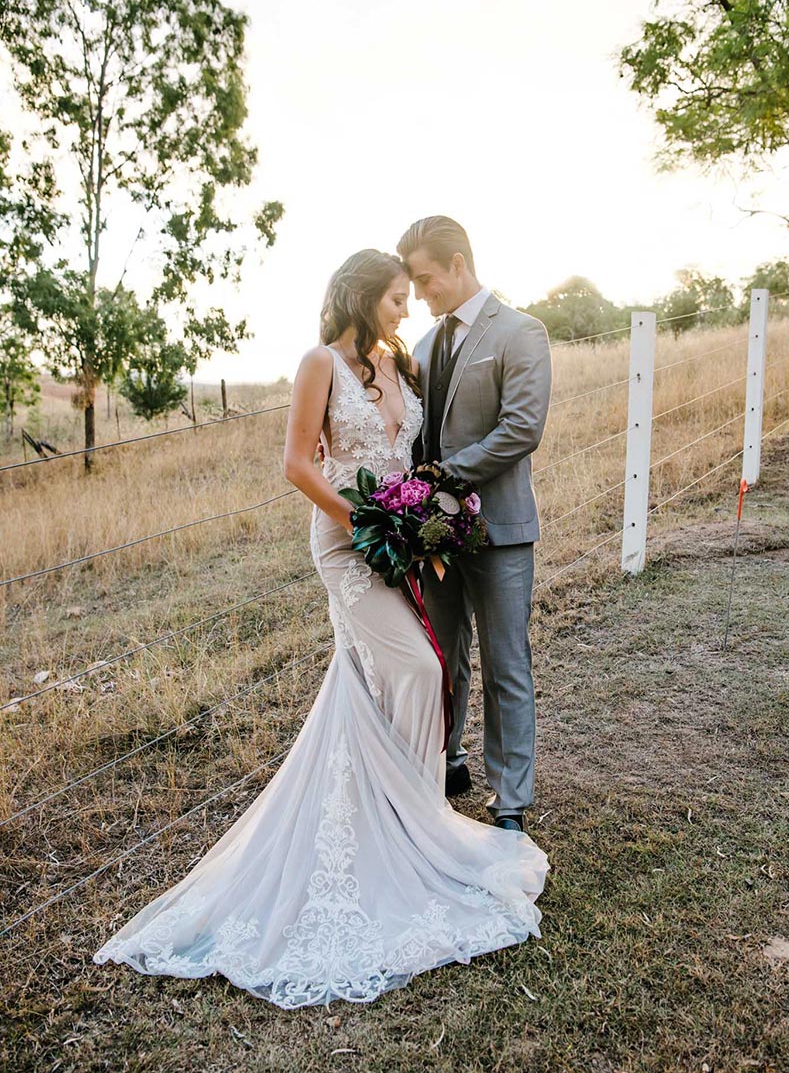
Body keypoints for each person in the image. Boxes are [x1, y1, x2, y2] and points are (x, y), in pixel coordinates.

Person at [92, 249, 548, 1009]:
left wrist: (414, 520)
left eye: (412, 296)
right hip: (346, 543)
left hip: (396, 539)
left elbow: (418, 454)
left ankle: (401, 821)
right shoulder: (319, 364)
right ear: (364, 296)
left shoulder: (399, 362)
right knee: (420, 670)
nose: (408, 309)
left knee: (377, 678)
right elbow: (298, 465)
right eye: (397, 298)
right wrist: (368, 520)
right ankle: (409, 821)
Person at [398, 217, 552, 833]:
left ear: (458, 263)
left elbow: (521, 428)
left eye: (425, 279)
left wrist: (442, 478)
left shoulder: (521, 332)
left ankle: (510, 799)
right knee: (442, 656)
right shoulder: (426, 346)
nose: (420, 294)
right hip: (435, 538)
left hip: (501, 530)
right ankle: (446, 761)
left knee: (505, 663)